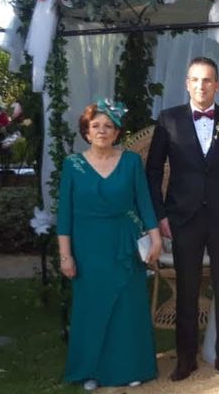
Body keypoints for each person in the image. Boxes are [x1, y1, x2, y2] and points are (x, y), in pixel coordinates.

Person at [146, 57, 219, 381]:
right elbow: (152, 172)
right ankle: (185, 358)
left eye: (207, 80)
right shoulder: (169, 120)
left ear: (217, 85)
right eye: (195, 79)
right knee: (187, 289)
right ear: (186, 83)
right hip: (183, 218)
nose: (201, 86)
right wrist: (160, 215)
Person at [56, 99, 162, 391]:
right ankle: (91, 370)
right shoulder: (73, 165)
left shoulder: (130, 161)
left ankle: (132, 367)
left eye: (109, 126)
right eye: (96, 126)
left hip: (124, 244)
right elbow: (64, 214)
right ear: (87, 132)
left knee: (128, 308)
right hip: (87, 248)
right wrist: (65, 256)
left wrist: (155, 238)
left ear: (117, 133)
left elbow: (144, 202)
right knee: (91, 309)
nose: (102, 131)